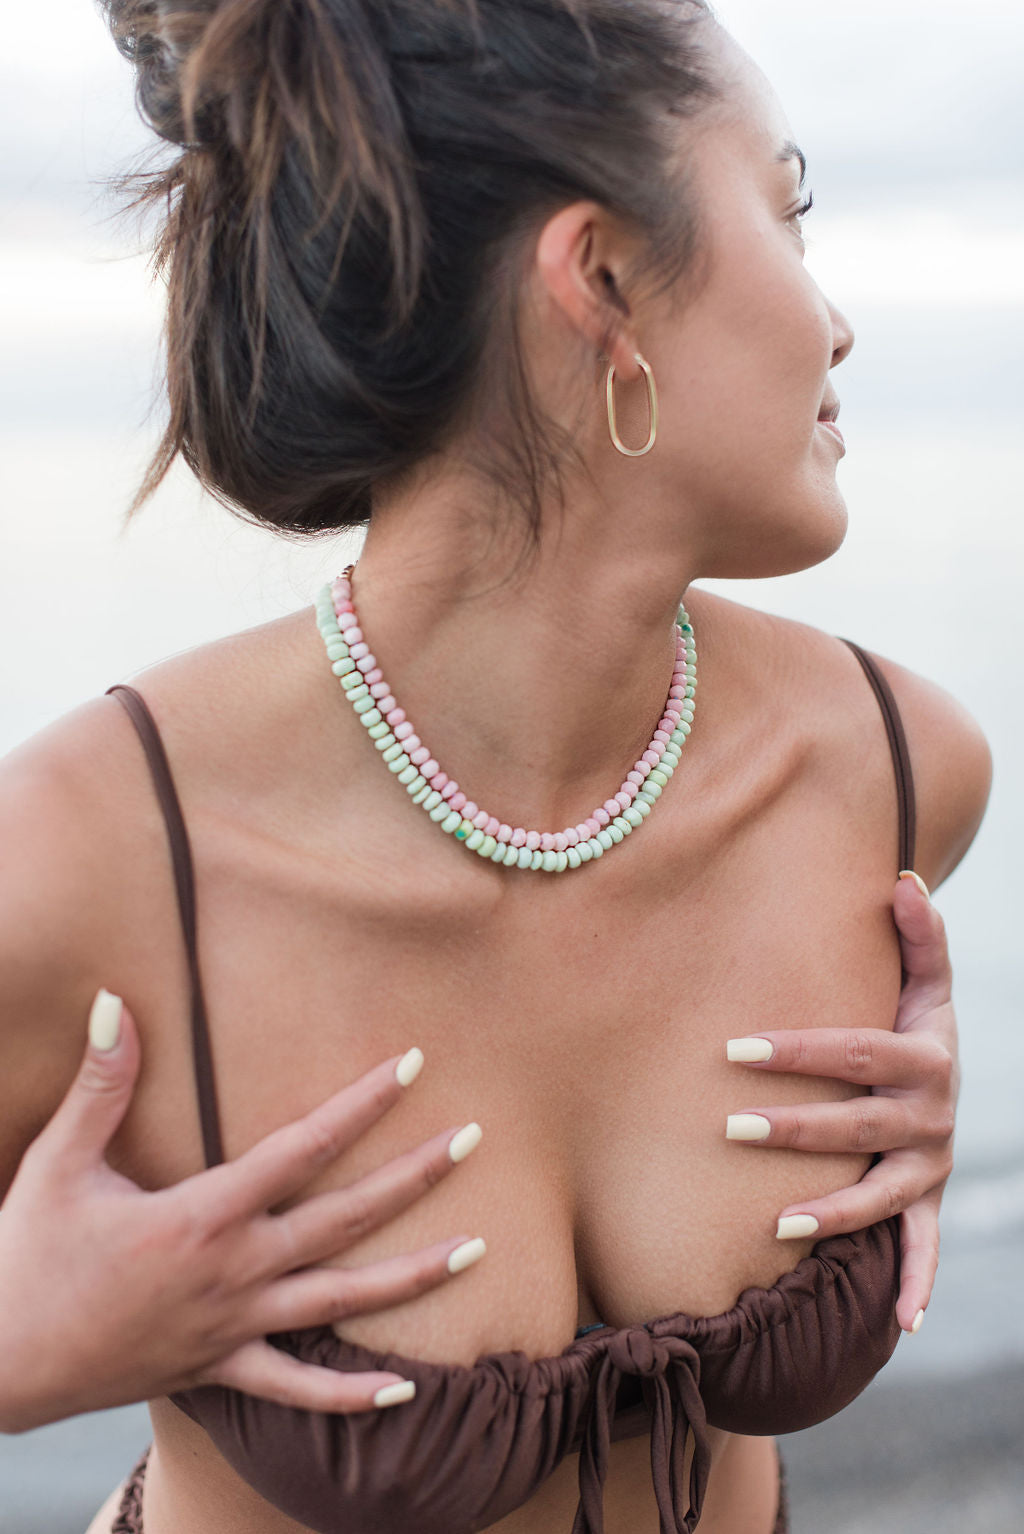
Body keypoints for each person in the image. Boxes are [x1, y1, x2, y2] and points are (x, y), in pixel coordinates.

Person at [0, 1, 989, 1532]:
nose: (837, 320)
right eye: (788, 214)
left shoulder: (899, 768)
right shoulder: (100, 853)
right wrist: (24, 1347)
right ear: (599, 280)